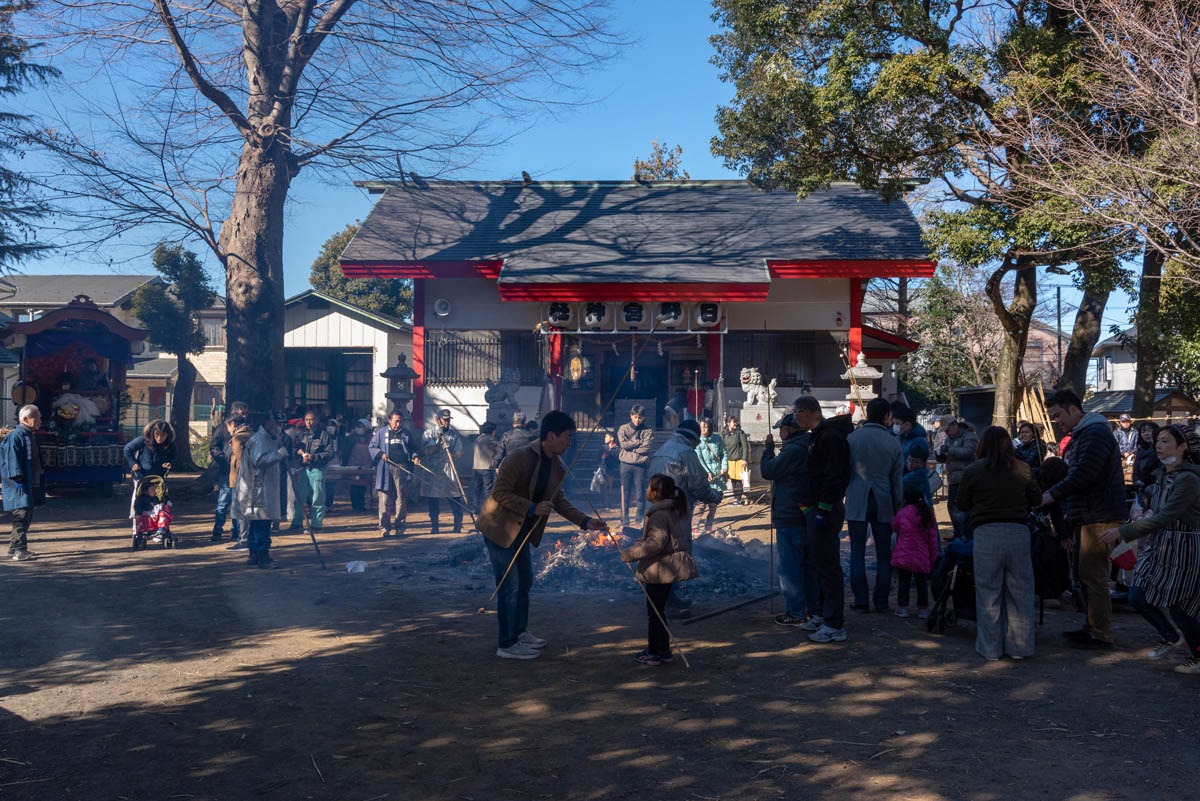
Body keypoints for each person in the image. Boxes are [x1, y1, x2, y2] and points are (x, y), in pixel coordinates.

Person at [477, 411, 608, 660]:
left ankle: (520, 631)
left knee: (525, 581)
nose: (570, 443)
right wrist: (531, 507)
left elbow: (558, 500)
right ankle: (506, 643)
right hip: (499, 528)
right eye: (567, 438)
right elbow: (499, 493)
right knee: (509, 585)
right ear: (551, 435)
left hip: (522, 531)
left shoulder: (556, 466)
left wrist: (585, 521)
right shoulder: (519, 457)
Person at [1099, 425, 1200, 673]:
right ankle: (1170, 636)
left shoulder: (1188, 479)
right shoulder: (1164, 475)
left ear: (1183, 447)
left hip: (1184, 546)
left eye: (1165, 441)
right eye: (1158, 441)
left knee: (1180, 604)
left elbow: (1165, 516)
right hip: (1161, 545)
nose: (1157, 445)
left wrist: (1122, 531)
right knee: (1137, 595)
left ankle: (1197, 655)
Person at [1041, 388, 1127, 649]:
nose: (1057, 422)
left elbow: (1084, 474)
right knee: (1086, 575)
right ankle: (1092, 627)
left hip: (1099, 516)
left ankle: (1101, 634)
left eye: (1058, 416)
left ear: (1074, 410)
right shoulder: (1083, 434)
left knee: (1094, 577)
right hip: (1087, 515)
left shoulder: (1095, 432)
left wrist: (1052, 495)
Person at [957, 426, 1042, 661]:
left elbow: (962, 503)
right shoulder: (1023, 468)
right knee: (1021, 591)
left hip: (986, 532)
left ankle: (990, 647)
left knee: (988, 591)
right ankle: (1021, 647)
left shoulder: (974, 470)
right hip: (1018, 531)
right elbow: (1036, 499)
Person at [620, 473, 698, 665]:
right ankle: (663, 650)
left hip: (659, 570)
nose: (645, 490)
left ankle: (655, 652)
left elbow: (656, 543)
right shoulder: (670, 510)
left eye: (648, 487)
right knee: (659, 612)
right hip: (666, 569)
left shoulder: (658, 515)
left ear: (655, 493)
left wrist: (631, 554)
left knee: (654, 613)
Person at [793, 395, 853, 643]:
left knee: (828, 565)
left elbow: (834, 476)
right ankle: (820, 613)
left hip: (824, 511)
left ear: (806, 411)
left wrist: (822, 509)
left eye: (797, 413)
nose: (795, 418)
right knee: (818, 563)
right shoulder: (818, 435)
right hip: (814, 508)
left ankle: (834, 622)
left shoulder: (830, 437)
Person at [846, 398, 904, 613]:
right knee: (883, 555)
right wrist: (898, 507)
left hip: (857, 499)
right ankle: (881, 601)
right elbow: (897, 481)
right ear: (886, 416)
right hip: (883, 501)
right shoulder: (893, 442)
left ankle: (860, 600)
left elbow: (845, 472)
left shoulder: (852, 438)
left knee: (856, 553)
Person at [761, 413, 817, 627]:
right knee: (805, 564)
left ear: (791, 429)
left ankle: (796, 612)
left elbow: (768, 471)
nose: (779, 433)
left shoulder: (793, 450)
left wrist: (767, 449)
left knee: (790, 566)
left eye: (781, 429)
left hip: (790, 513)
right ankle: (811, 609)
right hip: (802, 512)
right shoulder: (807, 445)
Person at [232, 411, 288, 568]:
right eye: (277, 425)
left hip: (265, 487)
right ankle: (262, 557)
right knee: (261, 524)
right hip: (256, 489)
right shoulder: (258, 440)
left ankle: (254, 555)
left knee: (258, 524)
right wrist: (278, 454)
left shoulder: (271, 439)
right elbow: (259, 460)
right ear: (269, 423)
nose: (280, 428)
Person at [647, 420, 721, 527]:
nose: (696, 445)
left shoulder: (661, 450)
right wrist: (713, 496)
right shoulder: (687, 453)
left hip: (654, 508)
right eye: (697, 441)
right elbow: (698, 485)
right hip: (677, 510)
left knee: (658, 540)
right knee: (679, 542)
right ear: (692, 438)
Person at [890, 486, 940, 619]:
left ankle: (903, 608)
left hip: (904, 554)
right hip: (921, 555)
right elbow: (933, 538)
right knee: (922, 583)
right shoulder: (927, 514)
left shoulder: (903, 512)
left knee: (904, 582)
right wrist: (934, 557)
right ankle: (923, 609)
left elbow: (894, 526)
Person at [1, 404, 43, 561]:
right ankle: (19, 550)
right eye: (37, 417)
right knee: (21, 516)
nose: (40, 420)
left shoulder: (28, 435)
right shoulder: (16, 436)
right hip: (18, 486)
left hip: (26, 484)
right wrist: (18, 479)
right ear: (26, 419)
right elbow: (13, 461)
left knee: (26, 515)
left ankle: (14, 548)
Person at [369, 410, 417, 537]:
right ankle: (384, 527)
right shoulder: (381, 432)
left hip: (401, 467)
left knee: (401, 497)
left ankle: (400, 526)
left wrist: (415, 457)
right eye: (396, 421)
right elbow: (372, 447)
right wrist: (380, 454)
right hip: (385, 467)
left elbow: (413, 449)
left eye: (400, 421)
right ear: (389, 420)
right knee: (384, 497)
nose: (398, 424)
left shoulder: (406, 433)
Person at [422, 409, 465, 534]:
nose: (446, 423)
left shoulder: (453, 434)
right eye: (444, 420)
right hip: (433, 468)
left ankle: (458, 524)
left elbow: (459, 453)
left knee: (455, 496)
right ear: (439, 419)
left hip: (448, 466)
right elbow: (427, 451)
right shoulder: (429, 433)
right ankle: (434, 526)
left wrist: (450, 449)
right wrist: (438, 440)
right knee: (433, 498)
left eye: (448, 420)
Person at [935, 416, 979, 539]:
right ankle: (958, 534)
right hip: (954, 478)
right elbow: (951, 455)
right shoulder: (949, 438)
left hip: (967, 479)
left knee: (964, 509)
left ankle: (966, 536)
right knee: (952, 507)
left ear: (954, 425)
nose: (946, 432)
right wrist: (941, 456)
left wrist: (950, 450)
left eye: (947, 429)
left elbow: (968, 452)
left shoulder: (970, 436)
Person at [290, 411, 335, 531]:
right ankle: (297, 522)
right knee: (300, 496)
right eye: (306, 420)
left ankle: (316, 524)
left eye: (311, 420)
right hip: (304, 469)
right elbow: (295, 449)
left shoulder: (324, 435)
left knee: (318, 498)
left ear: (317, 420)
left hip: (318, 469)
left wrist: (314, 457)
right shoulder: (302, 435)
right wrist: (299, 452)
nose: (308, 422)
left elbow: (330, 453)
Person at [210, 402, 247, 543]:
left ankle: (236, 531)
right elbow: (213, 447)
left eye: (245, 413)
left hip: (239, 472)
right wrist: (225, 460)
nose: (244, 416)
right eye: (242, 413)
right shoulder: (221, 429)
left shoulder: (244, 430)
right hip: (225, 471)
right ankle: (217, 531)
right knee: (222, 502)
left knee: (236, 503)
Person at [617, 405, 653, 527]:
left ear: (644, 418)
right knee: (625, 493)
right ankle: (624, 520)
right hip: (625, 465)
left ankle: (639, 519)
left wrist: (630, 448)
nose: (637, 420)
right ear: (631, 415)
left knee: (640, 494)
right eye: (635, 417)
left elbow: (646, 447)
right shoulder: (623, 428)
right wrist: (638, 442)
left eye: (640, 418)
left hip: (640, 466)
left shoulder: (648, 431)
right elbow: (623, 445)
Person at [226, 412, 255, 551]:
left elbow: (239, 460)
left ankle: (243, 540)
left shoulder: (237, 438)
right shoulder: (253, 434)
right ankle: (251, 538)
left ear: (232, 424)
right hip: (253, 479)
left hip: (239, 479)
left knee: (240, 511)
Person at [694, 417, 727, 534]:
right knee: (701, 503)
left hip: (717, 476)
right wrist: (707, 472)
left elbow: (723, 453)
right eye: (701, 427)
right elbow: (699, 459)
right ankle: (695, 525)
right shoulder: (698, 440)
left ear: (710, 427)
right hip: (704, 476)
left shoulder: (718, 439)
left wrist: (724, 468)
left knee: (714, 503)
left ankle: (708, 526)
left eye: (705, 427)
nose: (703, 430)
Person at [343, 419, 373, 512]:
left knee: (362, 487)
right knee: (354, 487)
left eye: (361, 426)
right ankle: (355, 505)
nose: (358, 428)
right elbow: (346, 452)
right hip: (353, 466)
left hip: (366, 466)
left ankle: (361, 505)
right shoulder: (351, 438)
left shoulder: (371, 438)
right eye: (357, 426)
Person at [722, 415, 751, 505]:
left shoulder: (740, 433)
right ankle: (735, 498)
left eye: (736, 422)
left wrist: (744, 459)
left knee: (739, 480)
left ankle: (738, 499)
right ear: (728, 423)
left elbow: (745, 447)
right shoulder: (724, 433)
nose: (735, 423)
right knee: (733, 480)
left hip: (739, 460)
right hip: (729, 460)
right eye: (733, 422)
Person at [472, 421, 500, 515]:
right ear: (492, 430)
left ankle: (475, 508)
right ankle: (487, 509)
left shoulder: (479, 438)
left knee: (477, 489)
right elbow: (500, 449)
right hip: (487, 467)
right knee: (487, 490)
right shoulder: (490, 439)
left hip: (476, 467)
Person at [903, 440, 934, 508]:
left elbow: (902, 482)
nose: (910, 464)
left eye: (916, 462)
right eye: (909, 460)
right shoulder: (916, 471)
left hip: (924, 510)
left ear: (923, 464)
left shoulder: (919, 474)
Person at [1132, 421, 1161, 491]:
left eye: (1149, 430)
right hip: (1142, 488)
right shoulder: (1141, 451)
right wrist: (1137, 481)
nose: (1146, 434)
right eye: (1143, 431)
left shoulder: (1162, 449)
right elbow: (1135, 471)